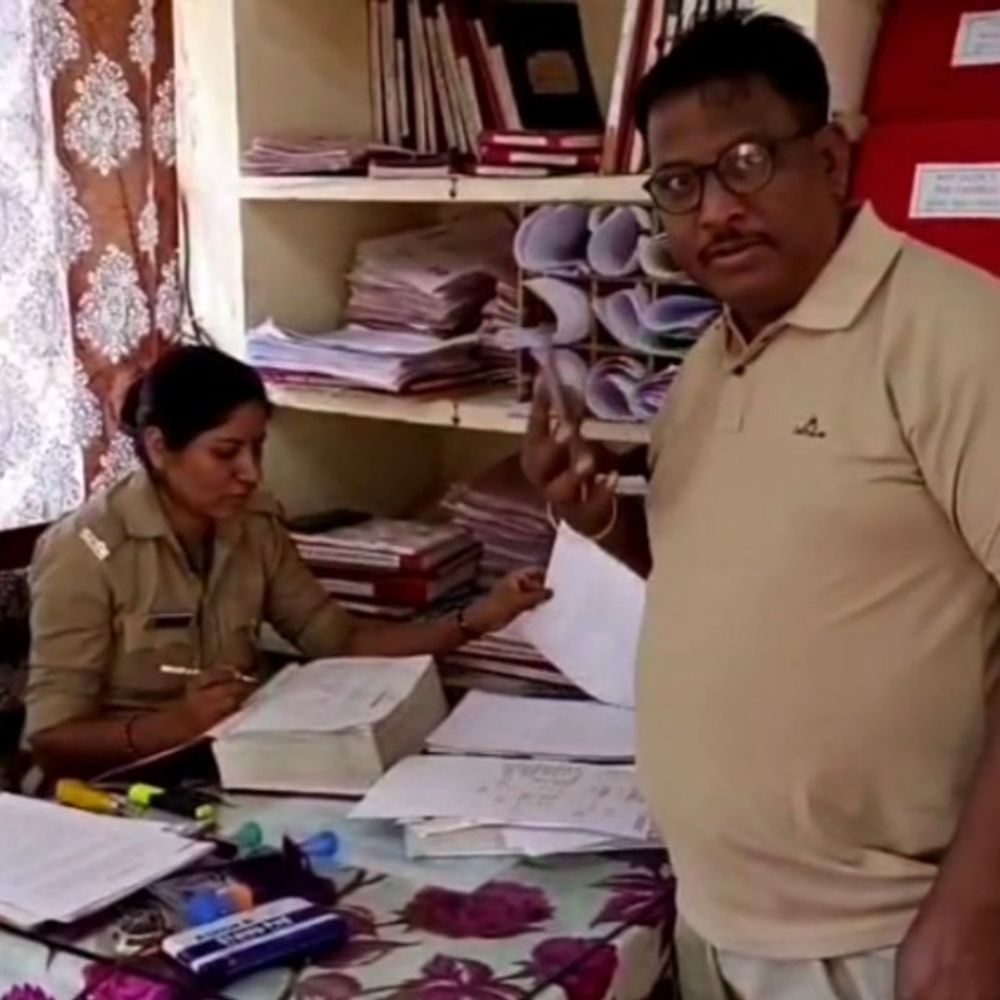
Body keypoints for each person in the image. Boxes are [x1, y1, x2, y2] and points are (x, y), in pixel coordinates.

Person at [522, 12, 1000, 1000]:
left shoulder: (954, 335)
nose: (714, 212)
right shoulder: (706, 362)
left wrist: (972, 912)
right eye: (678, 184)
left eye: (745, 163)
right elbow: (730, 580)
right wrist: (603, 521)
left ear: (829, 158)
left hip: (889, 940)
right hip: (716, 919)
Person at [25, 346, 549, 782]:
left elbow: (342, 641)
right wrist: (173, 726)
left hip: (230, 769)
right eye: (226, 452)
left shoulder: (252, 523)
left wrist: (479, 618)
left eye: (257, 449)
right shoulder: (84, 550)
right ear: (159, 447)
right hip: (113, 791)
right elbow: (51, 741)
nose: (250, 473)